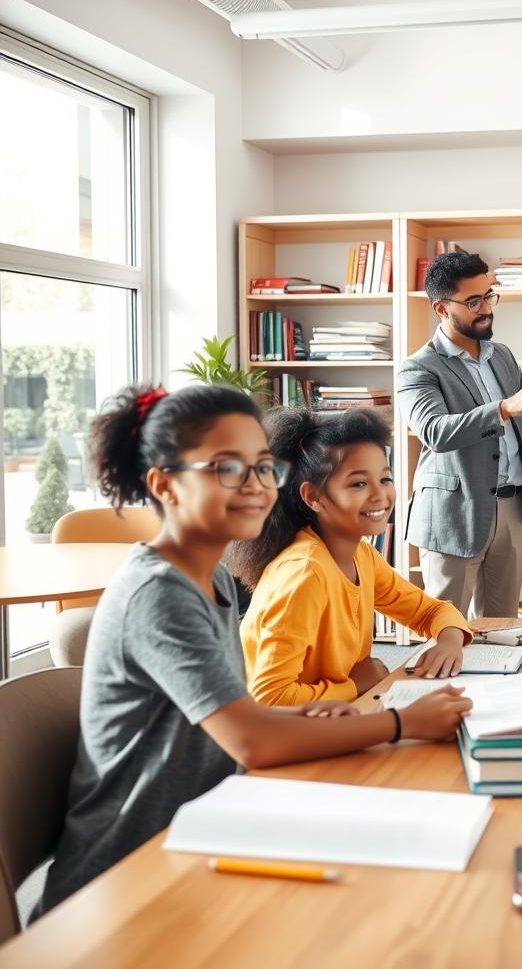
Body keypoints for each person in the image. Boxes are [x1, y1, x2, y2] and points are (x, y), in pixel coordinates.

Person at [37, 384, 470, 915]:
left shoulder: (209, 582)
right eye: (226, 467)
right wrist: (404, 724)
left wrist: (310, 712)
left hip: (204, 830)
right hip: (125, 879)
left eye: (263, 466)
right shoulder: (158, 593)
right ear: (164, 485)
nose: (256, 485)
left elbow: (237, 715)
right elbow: (250, 740)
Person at [229, 406, 472, 706]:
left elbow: (429, 611)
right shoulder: (304, 574)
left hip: (330, 719)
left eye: (385, 479)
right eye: (358, 483)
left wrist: (449, 640)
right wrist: (353, 685)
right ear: (314, 497)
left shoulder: (361, 555)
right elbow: (268, 699)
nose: (379, 495)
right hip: (276, 738)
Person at [397, 251, 522, 618]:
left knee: (502, 627)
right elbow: (434, 431)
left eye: (489, 295)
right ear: (441, 308)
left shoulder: (501, 355)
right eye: (473, 301)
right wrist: (504, 408)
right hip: (455, 513)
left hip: (511, 507)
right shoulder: (417, 368)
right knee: (446, 629)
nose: (486, 308)